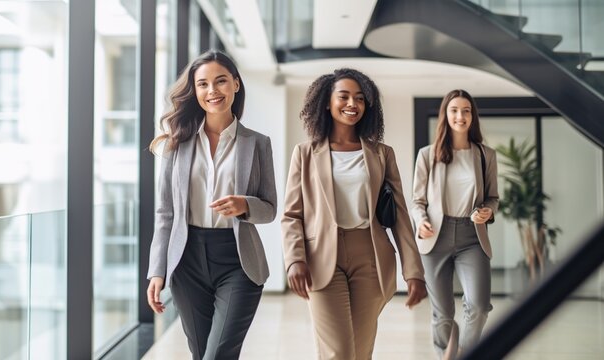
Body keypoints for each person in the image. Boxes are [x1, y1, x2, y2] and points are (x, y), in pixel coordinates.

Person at [281, 68, 427, 359]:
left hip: (370, 257)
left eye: (359, 98)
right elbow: (291, 215)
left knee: (360, 353)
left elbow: (399, 216)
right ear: (326, 102)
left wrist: (414, 272)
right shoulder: (305, 153)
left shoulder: (382, 154)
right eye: (344, 96)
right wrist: (294, 259)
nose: (352, 104)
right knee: (339, 352)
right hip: (322, 258)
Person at [145, 50, 277, 360]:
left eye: (220, 82)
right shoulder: (177, 142)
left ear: (236, 84)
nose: (212, 91)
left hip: (238, 260)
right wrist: (157, 271)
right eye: (203, 84)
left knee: (217, 354)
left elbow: (269, 208)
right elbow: (165, 213)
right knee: (201, 352)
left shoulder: (257, 143)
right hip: (187, 259)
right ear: (195, 91)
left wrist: (245, 204)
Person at [411, 89, 499, 358]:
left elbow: (493, 198)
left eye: (466, 110)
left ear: (472, 116)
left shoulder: (485, 155)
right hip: (435, 236)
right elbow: (417, 201)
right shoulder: (427, 155)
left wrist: (487, 211)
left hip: (472, 237)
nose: (460, 116)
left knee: (480, 305)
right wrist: (421, 219)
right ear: (445, 115)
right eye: (454, 110)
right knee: (443, 313)